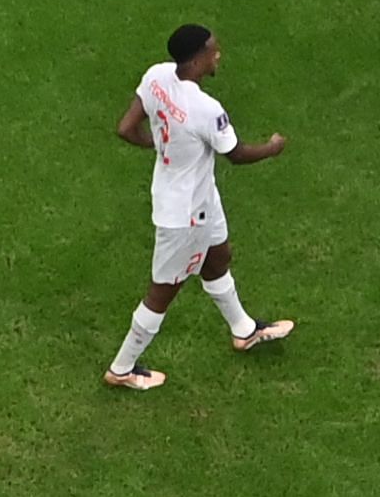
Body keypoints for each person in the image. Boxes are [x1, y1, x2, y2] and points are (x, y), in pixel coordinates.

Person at [103, 23, 292, 391]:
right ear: (196, 60)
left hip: (198, 199)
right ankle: (122, 368)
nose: (217, 55)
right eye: (212, 51)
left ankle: (244, 331)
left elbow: (126, 128)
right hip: (185, 215)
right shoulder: (206, 109)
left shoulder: (157, 76)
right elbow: (236, 155)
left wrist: (162, 147)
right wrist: (272, 147)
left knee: (219, 257)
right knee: (162, 293)